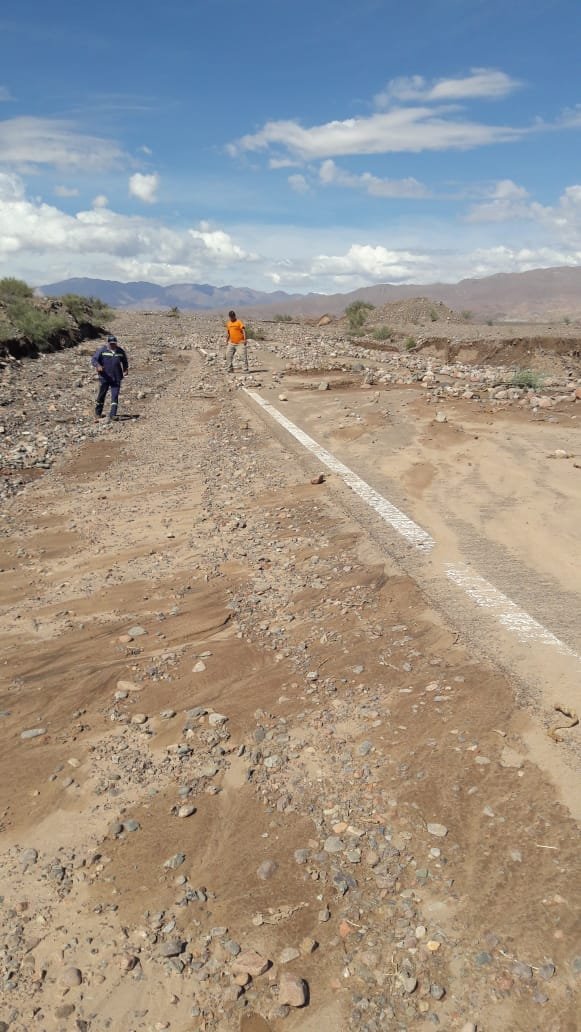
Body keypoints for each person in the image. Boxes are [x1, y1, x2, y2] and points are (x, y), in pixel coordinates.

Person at [91, 335, 129, 422]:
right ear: (108, 343)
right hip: (105, 377)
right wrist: (98, 365)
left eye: (114, 343)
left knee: (115, 396)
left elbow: (124, 361)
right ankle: (98, 413)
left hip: (116, 377)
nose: (112, 345)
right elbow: (94, 360)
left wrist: (125, 369)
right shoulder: (102, 350)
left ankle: (113, 414)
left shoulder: (120, 351)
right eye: (111, 343)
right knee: (102, 394)